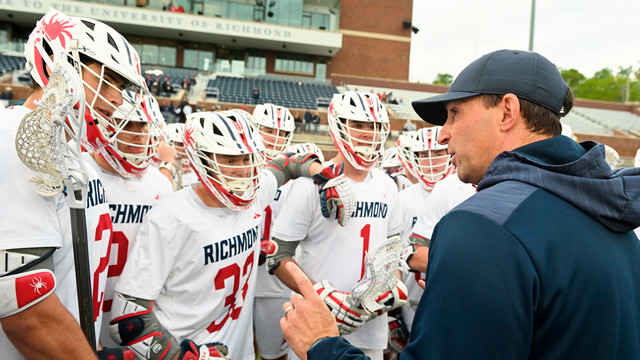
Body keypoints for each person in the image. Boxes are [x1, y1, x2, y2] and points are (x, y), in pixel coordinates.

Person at [279, 49, 640, 360]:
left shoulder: (484, 226)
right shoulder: (612, 213)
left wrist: (323, 345)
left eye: (454, 113)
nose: (442, 133)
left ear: (507, 111)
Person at [109, 109, 353, 360]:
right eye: (229, 160)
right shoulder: (170, 218)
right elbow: (129, 318)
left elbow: (288, 162)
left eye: (248, 158)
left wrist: (324, 177)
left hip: (239, 350)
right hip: (191, 346)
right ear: (201, 160)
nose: (243, 170)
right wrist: (180, 356)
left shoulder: (255, 195)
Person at [0, 9, 149, 359]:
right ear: (58, 67)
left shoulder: (76, 159)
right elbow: (24, 308)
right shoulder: (16, 140)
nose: (117, 100)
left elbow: (73, 282)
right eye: (109, 80)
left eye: (123, 87)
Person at [267, 91, 405, 360]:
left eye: (374, 126)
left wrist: (391, 287)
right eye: (358, 125)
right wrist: (322, 296)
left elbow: (392, 251)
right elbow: (277, 256)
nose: (368, 133)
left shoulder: (388, 185)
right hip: (316, 328)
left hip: (371, 326)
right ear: (337, 126)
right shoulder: (309, 185)